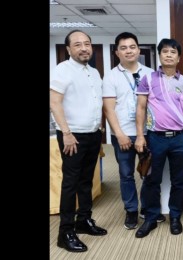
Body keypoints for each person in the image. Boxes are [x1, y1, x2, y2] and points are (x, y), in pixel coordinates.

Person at [50, 30, 107, 253]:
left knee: (86, 180)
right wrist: (66, 132)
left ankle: (84, 220)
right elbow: (54, 103)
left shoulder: (93, 72)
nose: (83, 48)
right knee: (70, 183)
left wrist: (99, 129)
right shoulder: (62, 70)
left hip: (92, 134)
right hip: (72, 136)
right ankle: (65, 232)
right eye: (77, 44)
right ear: (69, 49)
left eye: (87, 43)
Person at [134, 38, 183, 238]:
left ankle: (175, 216)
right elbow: (141, 108)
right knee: (152, 180)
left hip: (179, 139)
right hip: (155, 138)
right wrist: (140, 136)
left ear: (179, 57)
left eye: (173, 52)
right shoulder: (148, 79)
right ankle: (151, 218)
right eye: (165, 51)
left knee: (179, 181)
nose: (169, 55)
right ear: (160, 55)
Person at [102, 32, 165, 231]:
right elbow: (109, 109)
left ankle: (148, 210)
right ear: (117, 52)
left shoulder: (151, 73)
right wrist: (119, 134)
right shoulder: (111, 76)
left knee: (149, 173)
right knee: (126, 174)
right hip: (123, 133)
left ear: (138, 49)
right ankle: (130, 211)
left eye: (132, 47)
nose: (129, 51)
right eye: (123, 48)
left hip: (148, 132)